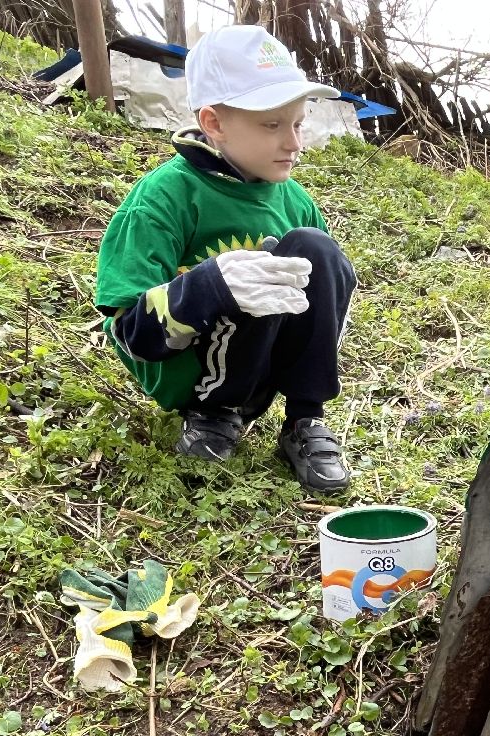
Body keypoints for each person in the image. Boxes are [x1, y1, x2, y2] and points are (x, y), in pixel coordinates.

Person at [95, 24, 355, 491]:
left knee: (316, 247)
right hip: (194, 376)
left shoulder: (295, 201)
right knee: (247, 269)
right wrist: (208, 286)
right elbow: (130, 334)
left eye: (297, 123)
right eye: (272, 125)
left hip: (267, 363)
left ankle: (304, 420)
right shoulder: (162, 198)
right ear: (213, 123)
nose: (294, 143)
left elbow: (323, 310)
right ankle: (213, 413)